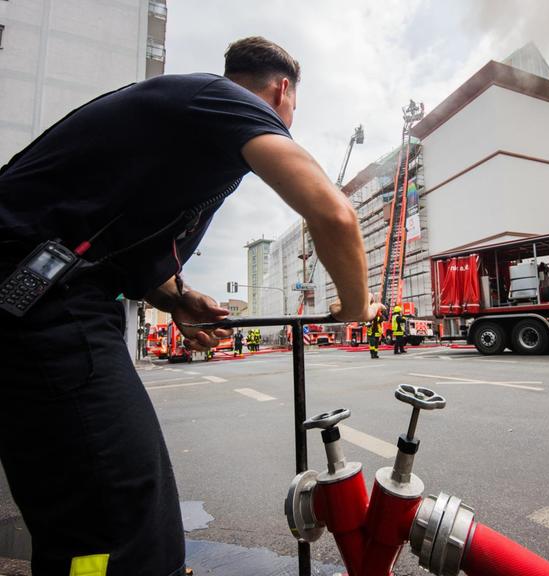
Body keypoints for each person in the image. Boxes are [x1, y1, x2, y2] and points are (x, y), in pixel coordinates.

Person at [0, 36, 383, 576]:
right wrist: (357, 306)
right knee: (118, 524)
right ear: (282, 90)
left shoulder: (188, 120)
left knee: (103, 509)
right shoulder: (228, 102)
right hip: (40, 301)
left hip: (45, 294)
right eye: (293, 106)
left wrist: (177, 297)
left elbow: (110, 234)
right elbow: (334, 214)